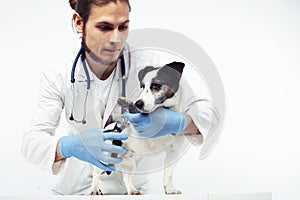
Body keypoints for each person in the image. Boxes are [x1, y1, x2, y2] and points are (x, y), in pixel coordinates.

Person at [21, 0, 219, 195]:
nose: (116, 39)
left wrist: (180, 122)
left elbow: (209, 112)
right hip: (75, 191)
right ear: (79, 23)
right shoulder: (58, 73)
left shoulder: (147, 65)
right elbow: (31, 142)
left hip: (130, 192)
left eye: (123, 26)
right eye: (104, 27)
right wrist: (67, 146)